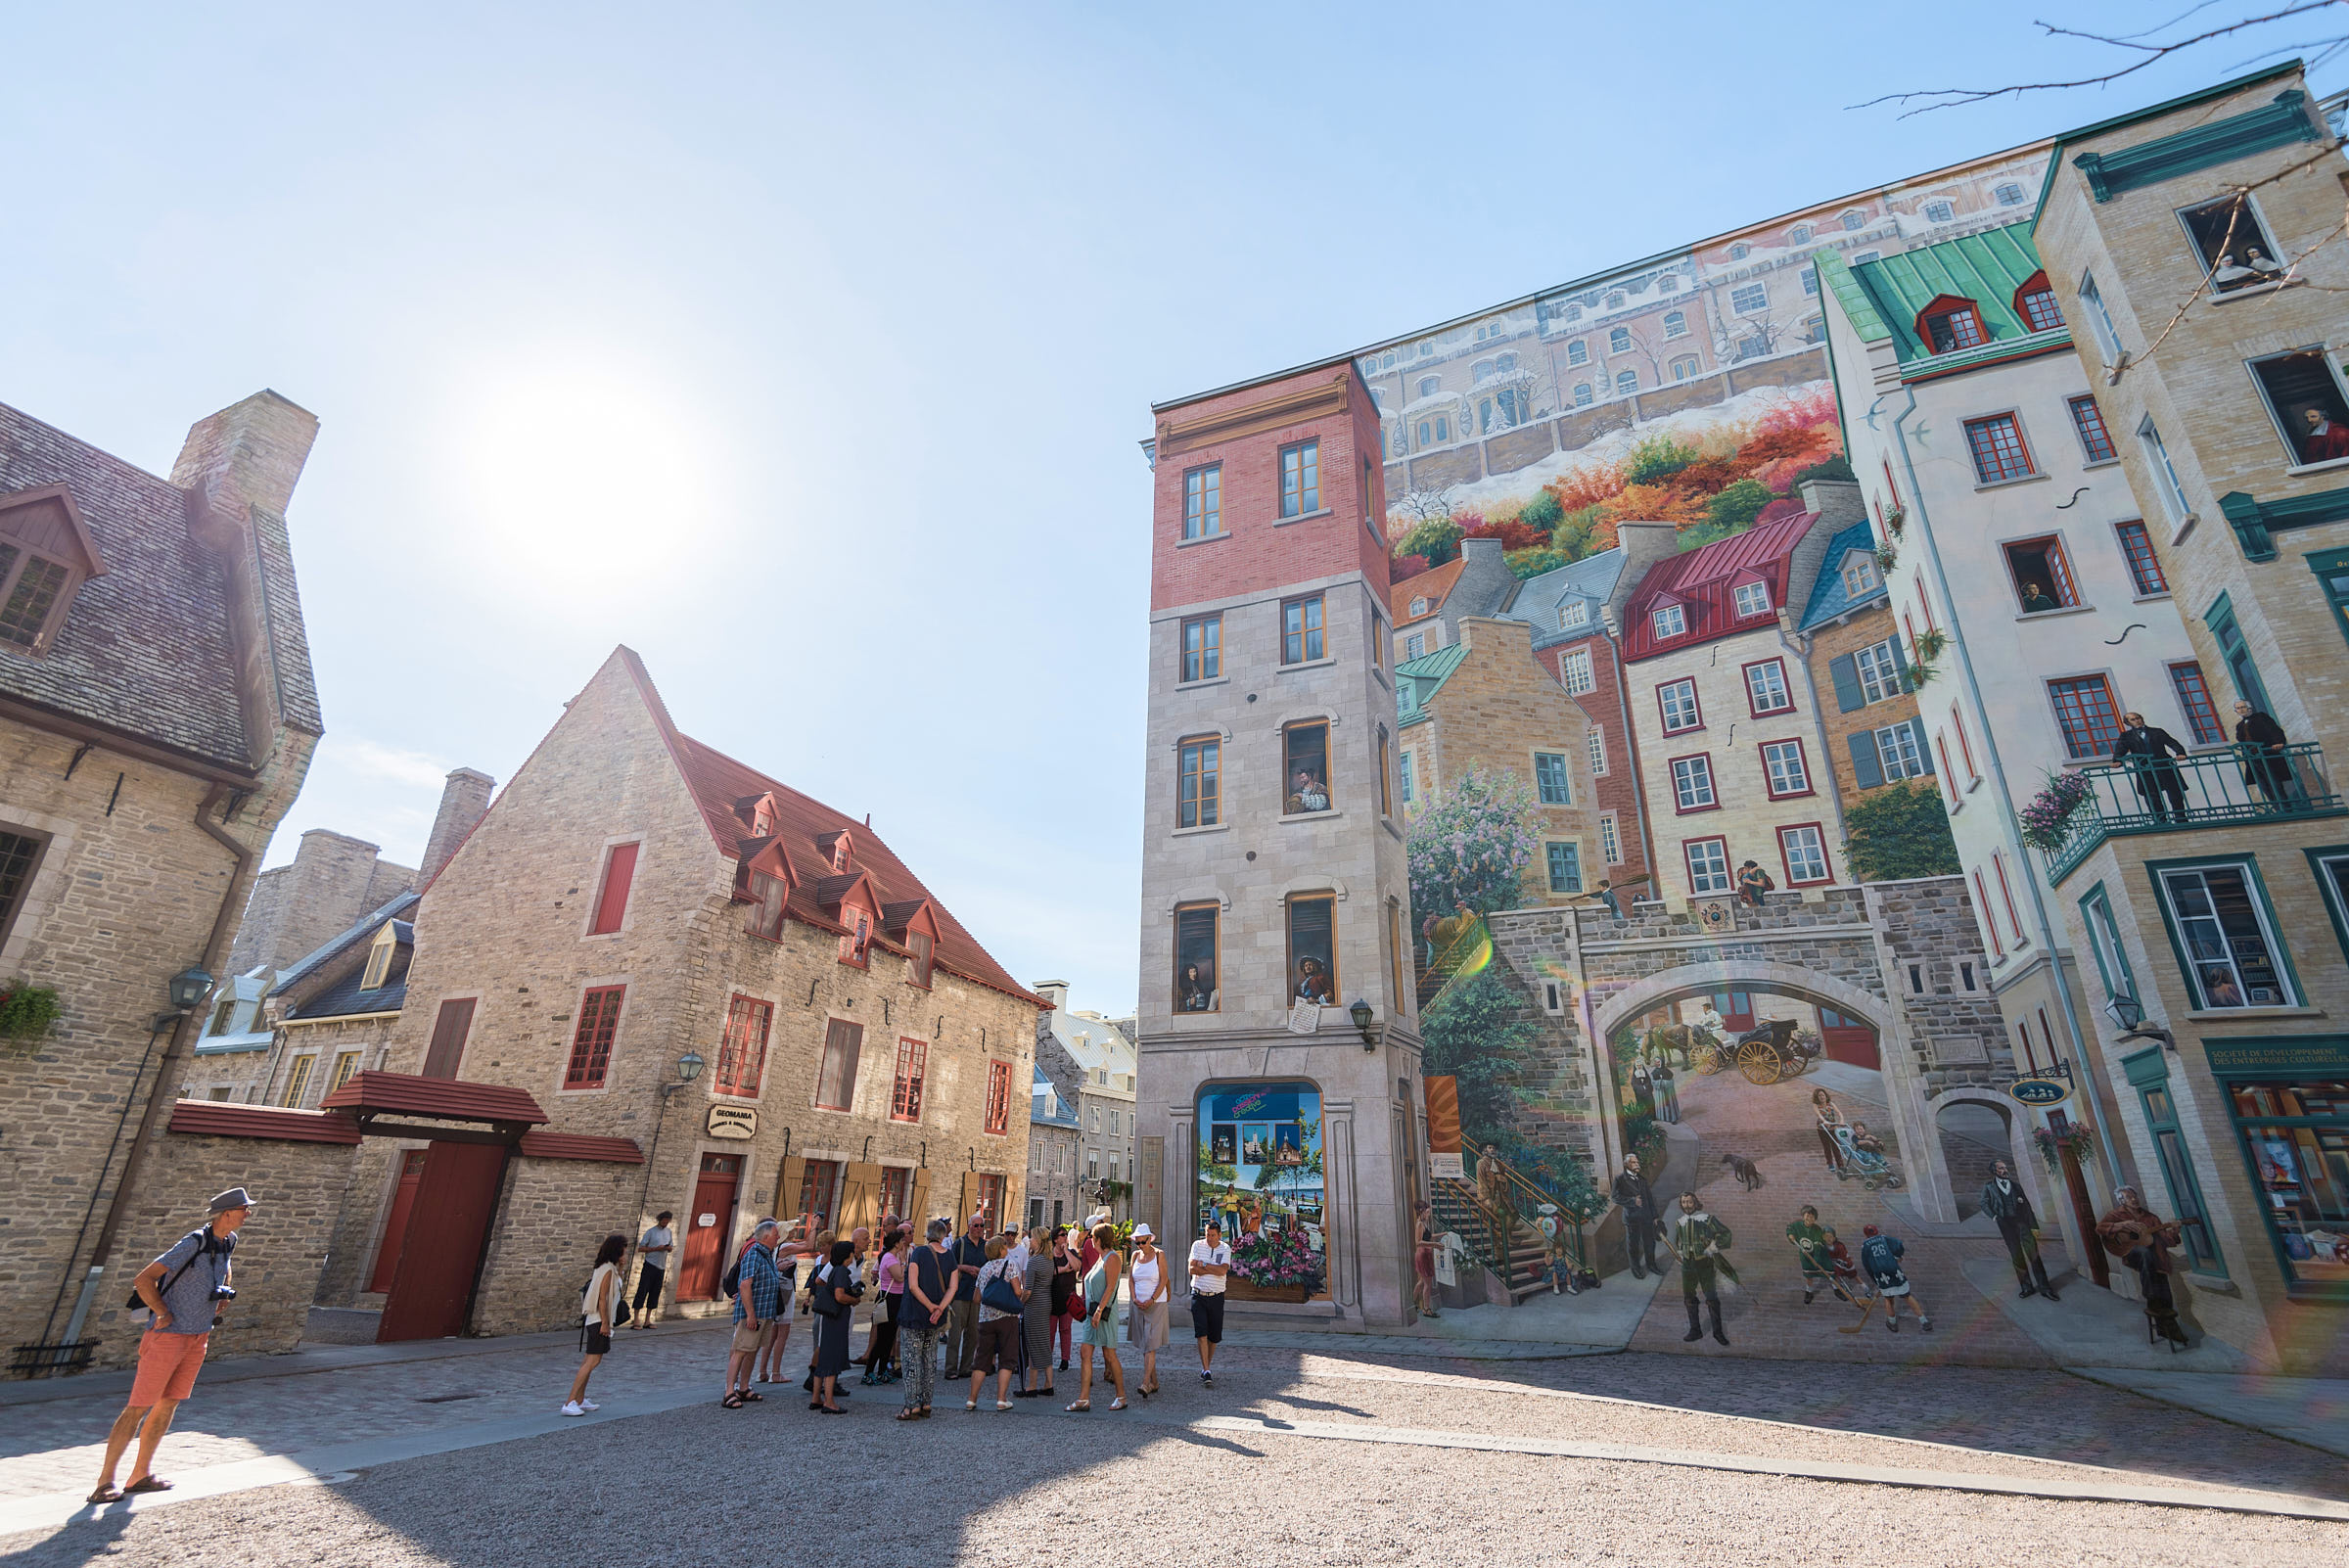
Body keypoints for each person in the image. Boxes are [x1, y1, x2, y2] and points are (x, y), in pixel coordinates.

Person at [90, 1187, 251, 1502]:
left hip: (198, 1336)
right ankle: (104, 1483)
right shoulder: (193, 1242)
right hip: (167, 1337)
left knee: (169, 1403)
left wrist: (223, 1293)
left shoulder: (229, 1241)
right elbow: (143, 1279)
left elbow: (225, 1268)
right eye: (246, 1209)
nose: (249, 1215)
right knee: (137, 1408)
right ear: (227, 1213)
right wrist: (162, 1312)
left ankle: (139, 1476)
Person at [2097, 1187, 2190, 1350]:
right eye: (2129, 1197)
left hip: (2154, 1260)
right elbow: (2100, 1228)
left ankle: (2164, 1326)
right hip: (2133, 1253)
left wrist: (2175, 1232)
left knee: (2163, 1289)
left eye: (2134, 1196)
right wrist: (2120, 1225)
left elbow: (2166, 1239)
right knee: (2146, 1253)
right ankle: (2164, 1318)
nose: (2134, 1199)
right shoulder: (2116, 1215)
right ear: (2122, 1201)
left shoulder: (2151, 1218)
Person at [563, 1232, 626, 1416]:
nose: (625, 1254)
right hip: (599, 1320)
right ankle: (569, 1402)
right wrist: (605, 1324)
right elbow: (602, 1298)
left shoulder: (608, 1268)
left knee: (591, 1361)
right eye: (623, 1251)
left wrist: (620, 1268)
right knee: (592, 1361)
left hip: (597, 1320)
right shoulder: (606, 1270)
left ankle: (580, 1399)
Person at [1068, 1222, 1128, 1411]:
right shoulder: (1101, 1258)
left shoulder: (1112, 1259)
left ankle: (1121, 1396)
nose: (1090, 1240)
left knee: (1109, 1354)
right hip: (1091, 1314)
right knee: (1085, 1352)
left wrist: (1099, 1310)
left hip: (1103, 1314)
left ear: (1099, 1239)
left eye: (1092, 1237)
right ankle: (1083, 1398)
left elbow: (1110, 1287)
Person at [898, 1220, 954, 1420]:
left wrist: (930, 1306)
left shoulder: (919, 1253)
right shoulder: (950, 1256)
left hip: (915, 1313)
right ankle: (926, 1402)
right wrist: (940, 1308)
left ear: (927, 1234)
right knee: (929, 1359)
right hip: (934, 1317)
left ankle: (911, 1406)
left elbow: (913, 1285)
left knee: (912, 1360)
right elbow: (952, 1287)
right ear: (942, 1235)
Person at [1980, 1159, 2059, 1302]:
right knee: (2017, 1256)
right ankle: (2026, 1287)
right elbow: (1984, 1203)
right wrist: (1995, 1217)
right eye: (2001, 1168)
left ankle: (2045, 1288)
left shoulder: (2016, 1186)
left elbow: (2027, 1206)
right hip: (2006, 1225)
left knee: (2034, 1254)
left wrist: (2034, 1225)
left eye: (2005, 1167)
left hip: (2022, 1223)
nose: (2005, 1170)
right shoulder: (1989, 1187)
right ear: (1994, 1171)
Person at [724, 1219, 783, 1409]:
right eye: (776, 1235)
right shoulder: (754, 1254)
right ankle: (729, 1392)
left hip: (765, 1313)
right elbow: (745, 1284)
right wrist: (750, 1314)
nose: (778, 1238)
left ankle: (744, 1387)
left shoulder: (767, 1255)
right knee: (741, 1350)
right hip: (753, 1314)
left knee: (753, 1350)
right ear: (766, 1236)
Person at [965, 1236, 1024, 1411]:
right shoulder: (1009, 1265)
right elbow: (1018, 1291)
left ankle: (972, 1399)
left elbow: (977, 1298)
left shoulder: (983, 1269)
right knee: (1007, 1358)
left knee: (982, 1359)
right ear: (1001, 1250)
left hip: (986, 1318)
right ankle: (1001, 1399)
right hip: (1007, 1317)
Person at [1666, 1191, 1731, 1347]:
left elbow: (1726, 1234)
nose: (1686, 1205)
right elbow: (1679, 1240)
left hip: (1704, 1264)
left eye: (1689, 1202)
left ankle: (1718, 1332)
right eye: (1683, 1202)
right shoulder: (1679, 1222)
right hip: (1688, 1266)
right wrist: (1680, 1252)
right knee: (1689, 1298)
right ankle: (1695, 1330)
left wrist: (1713, 1246)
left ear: (1695, 1203)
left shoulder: (1707, 1220)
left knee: (1711, 1297)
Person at [809, 1239, 859, 1413]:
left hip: (831, 1319)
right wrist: (853, 1300)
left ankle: (816, 1397)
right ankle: (829, 1401)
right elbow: (839, 1296)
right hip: (836, 1320)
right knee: (832, 1359)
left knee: (824, 1358)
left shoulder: (834, 1270)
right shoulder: (841, 1272)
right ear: (848, 1255)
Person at [2112, 712, 2188, 822]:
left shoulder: (2157, 731)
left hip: (2164, 765)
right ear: (2128, 723)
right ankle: (2160, 821)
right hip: (2144, 769)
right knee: (2151, 796)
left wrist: (2180, 753)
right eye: (2132, 719)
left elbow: (2172, 742)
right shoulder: (2126, 736)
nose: (2137, 721)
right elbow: (2120, 749)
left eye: (2138, 718)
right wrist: (2117, 761)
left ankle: (2181, 818)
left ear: (2142, 719)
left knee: (2175, 793)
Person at [1858, 1223, 1930, 1333]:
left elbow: (1866, 1265)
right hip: (1893, 1270)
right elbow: (1899, 1245)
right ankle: (1924, 1321)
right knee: (1907, 1296)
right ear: (1877, 1231)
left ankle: (1892, 1323)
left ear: (1866, 1235)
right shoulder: (1884, 1238)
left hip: (1881, 1274)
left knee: (1889, 1299)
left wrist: (1875, 1279)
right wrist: (1898, 1256)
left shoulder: (1865, 1246)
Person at [860, 1227, 908, 1385]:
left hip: (896, 1299)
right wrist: (902, 1261)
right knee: (882, 1338)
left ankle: (882, 1371)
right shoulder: (889, 1258)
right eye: (902, 1241)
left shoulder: (891, 1256)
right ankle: (869, 1372)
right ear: (896, 1243)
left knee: (889, 1338)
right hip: (889, 1299)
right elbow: (900, 1277)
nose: (904, 1243)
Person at [944, 1211, 988, 1380]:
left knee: (973, 1334)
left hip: (978, 1294)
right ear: (969, 1226)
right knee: (955, 1333)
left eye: (981, 1226)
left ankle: (966, 1367)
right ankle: (951, 1368)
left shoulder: (985, 1246)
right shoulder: (960, 1244)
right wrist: (965, 1268)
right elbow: (950, 1265)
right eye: (975, 1225)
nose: (978, 1228)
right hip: (960, 1293)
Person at [1128, 1222, 1170, 1398]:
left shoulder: (1159, 1255)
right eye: (1137, 1243)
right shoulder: (1135, 1255)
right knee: (1146, 1344)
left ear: (1149, 1240)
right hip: (1139, 1304)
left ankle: (1145, 1383)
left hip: (1156, 1304)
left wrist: (1152, 1299)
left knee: (1150, 1343)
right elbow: (1131, 1279)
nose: (1140, 1246)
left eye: (1143, 1242)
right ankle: (1155, 1382)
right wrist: (1134, 1297)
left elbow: (1164, 1278)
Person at [1188, 1219, 1231, 1383]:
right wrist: (1211, 1268)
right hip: (1198, 1295)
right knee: (1201, 1333)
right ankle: (1206, 1369)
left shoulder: (1225, 1248)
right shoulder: (1197, 1246)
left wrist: (1204, 1265)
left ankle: (1207, 1365)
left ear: (1219, 1235)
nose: (1210, 1238)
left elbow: (1222, 1271)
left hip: (1217, 1296)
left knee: (1214, 1336)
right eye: (1207, 1234)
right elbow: (1191, 1269)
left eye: (1213, 1235)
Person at [2234, 701, 2296, 807]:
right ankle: (2276, 807)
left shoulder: (2261, 717)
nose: (2241, 710)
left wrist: (2278, 742)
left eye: (2243, 707)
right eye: (2238, 708)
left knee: (2274, 782)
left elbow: (2274, 730)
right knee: (2263, 785)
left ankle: (2285, 808)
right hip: (2253, 759)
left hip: (2267, 755)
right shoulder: (2239, 726)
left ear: (2249, 708)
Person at [1019, 1224, 1056, 1398]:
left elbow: (1028, 1290)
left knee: (1033, 1344)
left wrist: (1020, 1303)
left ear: (1039, 1241)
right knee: (1043, 1343)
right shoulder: (1049, 1260)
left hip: (1034, 1306)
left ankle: (1032, 1386)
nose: (1030, 1240)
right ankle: (1049, 1383)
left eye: (1033, 1238)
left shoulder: (1034, 1261)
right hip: (1046, 1303)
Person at [1611, 1153, 1659, 1279]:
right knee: (1633, 1245)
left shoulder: (1642, 1180)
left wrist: (1655, 1216)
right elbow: (1615, 1197)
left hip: (1647, 1217)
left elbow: (1649, 1199)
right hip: (1632, 1218)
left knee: (1650, 1243)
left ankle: (1651, 1264)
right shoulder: (1620, 1179)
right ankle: (1636, 1269)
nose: (1637, 1164)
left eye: (1637, 1162)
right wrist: (1632, 1201)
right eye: (1634, 1162)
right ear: (1627, 1164)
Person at [629, 1211, 674, 1329]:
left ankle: (648, 1320)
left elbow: (671, 1247)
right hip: (650, 1264)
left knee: (655, 1292)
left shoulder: (669, 1232)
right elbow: (641, 1248)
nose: (666, 1223)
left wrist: (668, 1248)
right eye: (664, 1220)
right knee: (642, 1290)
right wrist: (655, 1249)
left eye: (668, 1221)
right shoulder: (651, 1232)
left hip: (661, 1266)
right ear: (660, 1219)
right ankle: (636, 1320)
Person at [1785, 1205, 1834, 1306]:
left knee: (1829, 1270)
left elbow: (1817, 1245)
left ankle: (1836, 1288)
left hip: (1818, 1254)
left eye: (1812, 1217)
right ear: (1803, 1216)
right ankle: (1809, 1292)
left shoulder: (1817, 1230)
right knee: (1809, 1275)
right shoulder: (1797, 1225)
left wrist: (1816, 1259)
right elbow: (1789, 1228)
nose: (1809, 1219)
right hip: (1805, 1256)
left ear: (1815, 1219)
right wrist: (1790, 1235)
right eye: (1807, 1216)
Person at [1050, 1226, 1081, 1369]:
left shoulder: (1071, 1253)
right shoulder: (1048, 1256)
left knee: (1065, 1329)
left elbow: (1076, 1267)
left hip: (1068, 1298)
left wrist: (1066, 1251)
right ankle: (1047, 1358)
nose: (1065, 1237)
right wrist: (1061, 1270)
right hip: (1051, 1298)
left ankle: (1065, 1359)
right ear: (1055, 1239)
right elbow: (1045, 1273)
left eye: (1066, 1235)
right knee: (1049, 1331)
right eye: (1062, 1235)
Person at [1409, 1201, 1440, 1319]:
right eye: (1427, 1212)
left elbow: (1429, 1236)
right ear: (1422, 1211)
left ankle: (1412, 1303)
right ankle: (1427, 1309)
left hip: (1425, 1254)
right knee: (1427, 1284)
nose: (1429, 1214)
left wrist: (1445, 1233)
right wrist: (1435, 1245)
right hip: (1423, 1255)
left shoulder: (1423, 1223)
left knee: (1422, 1282)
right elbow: (1418, 1242)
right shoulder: (1419, 1225)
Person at [1811, 1086, 1845, 1173]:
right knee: (1827, 1147)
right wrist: (1824, 1121)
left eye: (1823, 1095)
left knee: (1836, 1146)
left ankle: (1840, 1164)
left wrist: (1841, 1120)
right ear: (1817, 1097)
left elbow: (1839, 1112)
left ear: (1826, 1096)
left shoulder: (1831, 1104)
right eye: (1819, 1096)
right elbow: (1818, 1114)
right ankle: (1830, 1163)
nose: (1822, 1097)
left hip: (1833, 1127)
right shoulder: (1816, 1105)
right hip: (1822, 1129)